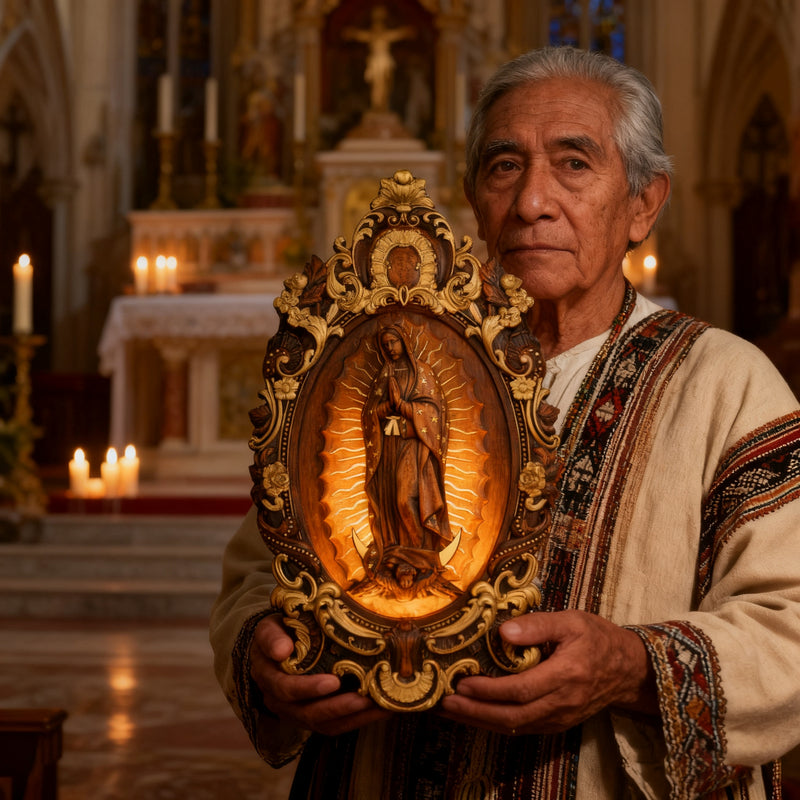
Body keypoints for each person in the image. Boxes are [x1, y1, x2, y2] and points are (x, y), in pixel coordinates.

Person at [210, 46, 800, 799]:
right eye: (503, 166)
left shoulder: (725, 385)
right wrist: (262, 650)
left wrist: (631, 664)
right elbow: (263, 566)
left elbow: (791, 626)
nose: (530, 203)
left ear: (644, 204)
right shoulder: (383, 350)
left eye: (574, 164)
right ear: (473, 196)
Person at [359, 322, 454, 594]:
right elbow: (369, 414)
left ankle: (420, 550)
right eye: (386, 344)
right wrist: (384, 409)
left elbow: (434, 411)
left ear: (404, 342)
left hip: (414, 446)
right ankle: (396, 553)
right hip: (388, 446)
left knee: (405, 499)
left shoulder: (422, 372)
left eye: (394, 342)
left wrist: (405, 407)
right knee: (389, 502)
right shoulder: (385, 372)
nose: (390, 348)